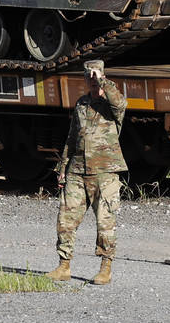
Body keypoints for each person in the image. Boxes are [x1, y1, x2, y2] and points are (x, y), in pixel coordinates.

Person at [45, 59, 127, 285]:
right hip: (78, 172)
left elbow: (120, 103)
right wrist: (63, 168)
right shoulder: (81, 104)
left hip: (105, 173)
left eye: (96, 75)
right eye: (88, 76)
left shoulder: (112, 104)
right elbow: (72, 139)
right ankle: (64, 266)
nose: (92, 79)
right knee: (65, 219)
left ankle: (105, 268)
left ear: (103, 75)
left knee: (105, 223)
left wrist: (101, 79)